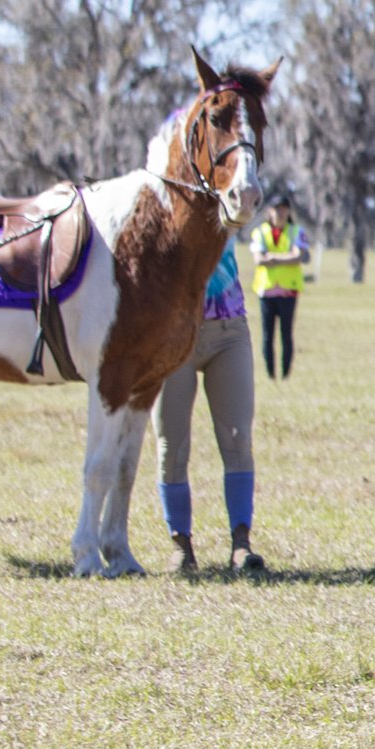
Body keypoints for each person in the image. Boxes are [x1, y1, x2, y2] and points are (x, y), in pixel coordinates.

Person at [155, 235, 266, 573]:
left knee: (238, 439)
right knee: (171, 446)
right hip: (171, 330)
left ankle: (241, 543)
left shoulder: (226, 203)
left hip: (228, 330)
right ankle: (181, 545)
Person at [251, 195, 310, 379]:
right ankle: (270, 373)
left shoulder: (296, 231)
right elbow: (259, 259)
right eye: (277, 209)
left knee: (286, 333)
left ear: (289, 211)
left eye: (284, 208)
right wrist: (286, 257)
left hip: (288, 291)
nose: (280, 212)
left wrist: (273, 258)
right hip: (266, 290)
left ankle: (285, 373)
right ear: (270, 211)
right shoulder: (260, 232)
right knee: (267, 335)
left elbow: (299, 256)